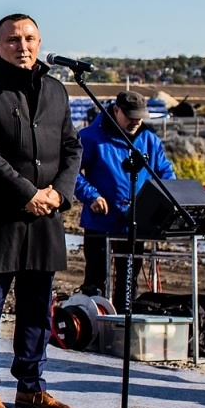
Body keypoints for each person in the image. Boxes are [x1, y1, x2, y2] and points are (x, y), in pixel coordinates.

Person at [0, 13, 82, 408]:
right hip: (0, 217)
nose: (22, 46)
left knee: (37, 306)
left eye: (29, 38)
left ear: (40, 41)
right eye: (12, 40)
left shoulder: (56, 90)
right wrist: (27, 194)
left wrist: (58, 194)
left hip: (46, 217)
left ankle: (31, 385)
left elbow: (71, 147)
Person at [72, 90, 176, 306]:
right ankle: (94, 327)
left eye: (139, 117)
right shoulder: (91, 137)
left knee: (128, 282)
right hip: (100, 222)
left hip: (136, 224)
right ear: (116, 110)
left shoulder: (150, 140)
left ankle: (123, 328)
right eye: (130, 117)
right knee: (95, 278)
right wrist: (91, 195)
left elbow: (165, 172)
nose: (136, 122)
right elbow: (71, 173)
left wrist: (170, 196)